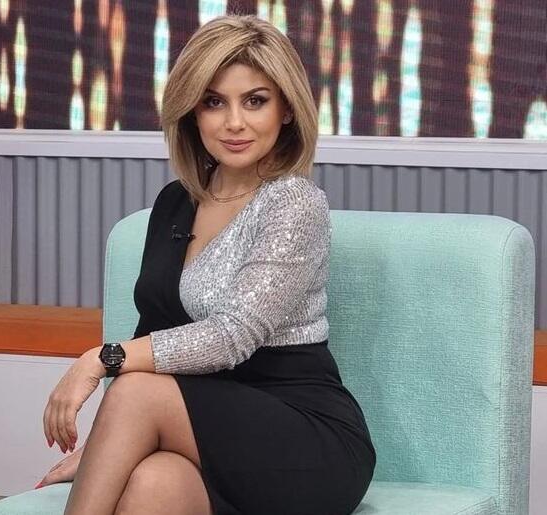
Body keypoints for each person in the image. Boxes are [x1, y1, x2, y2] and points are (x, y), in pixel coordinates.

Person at [37, 14, 375, 515]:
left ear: (286, 110)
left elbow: (232, 336)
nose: (234, 122)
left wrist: (99, 359)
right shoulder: (175, 202)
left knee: (135, 390)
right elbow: (157, 331)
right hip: (204, 431)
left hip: (305, 438)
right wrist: (110, 445)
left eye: (255, 101)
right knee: (150, 484)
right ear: (192, 111)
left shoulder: (293, 203)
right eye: (214, 102)